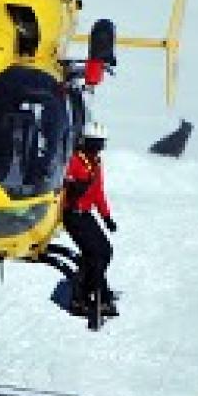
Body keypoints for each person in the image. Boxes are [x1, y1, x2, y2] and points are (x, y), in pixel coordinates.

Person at [62, 120, 116, 315]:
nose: (98, 147)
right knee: (95, 254)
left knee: (105, 252)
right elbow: (62, 183)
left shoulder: (95, 163)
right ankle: (84, 296)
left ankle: (91, 286)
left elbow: (98, 192)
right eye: (94, 142)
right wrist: (72, 188)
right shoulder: (74, 160)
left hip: (86, 214)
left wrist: (106, 216)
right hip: (73, 214)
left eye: (101, 143)